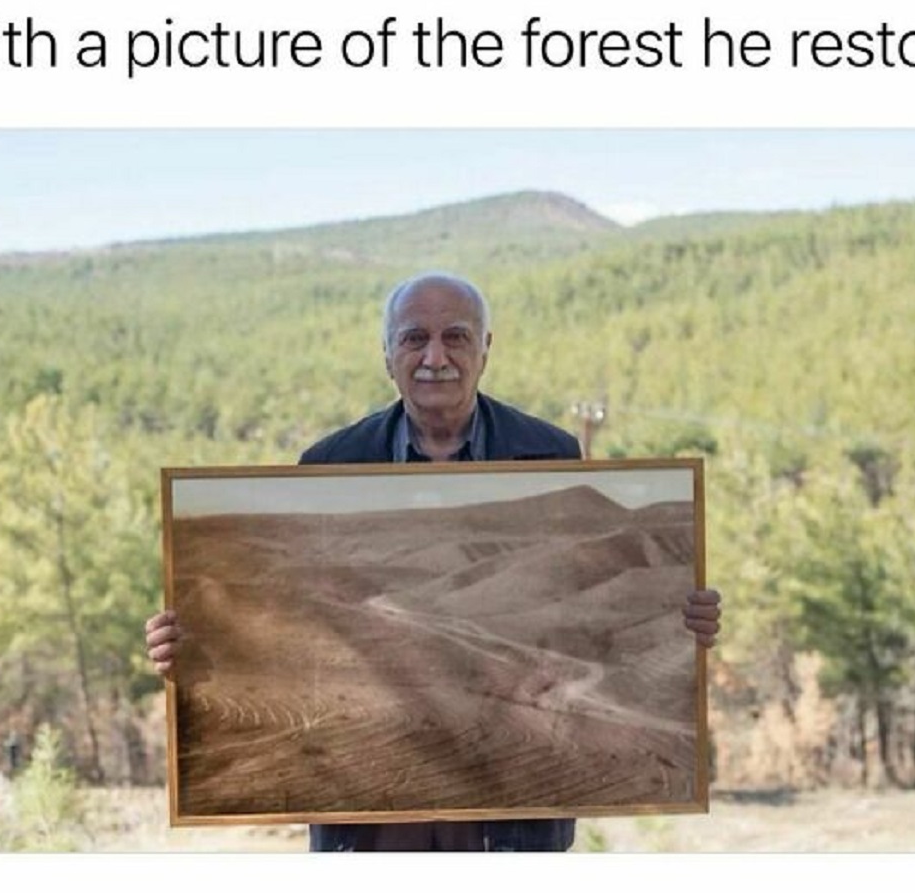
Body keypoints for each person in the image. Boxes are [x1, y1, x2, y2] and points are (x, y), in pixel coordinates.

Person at [145, 271, 723, 851]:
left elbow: (592, 637)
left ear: (486, 348)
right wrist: (195, 646)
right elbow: (287, 624)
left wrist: (681, 615)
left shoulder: (552, 452)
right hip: (369, 834)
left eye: (456, 337)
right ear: (388, 353)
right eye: (415, 338)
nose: (435, 357)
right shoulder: (330, 462)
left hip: (510, 831)